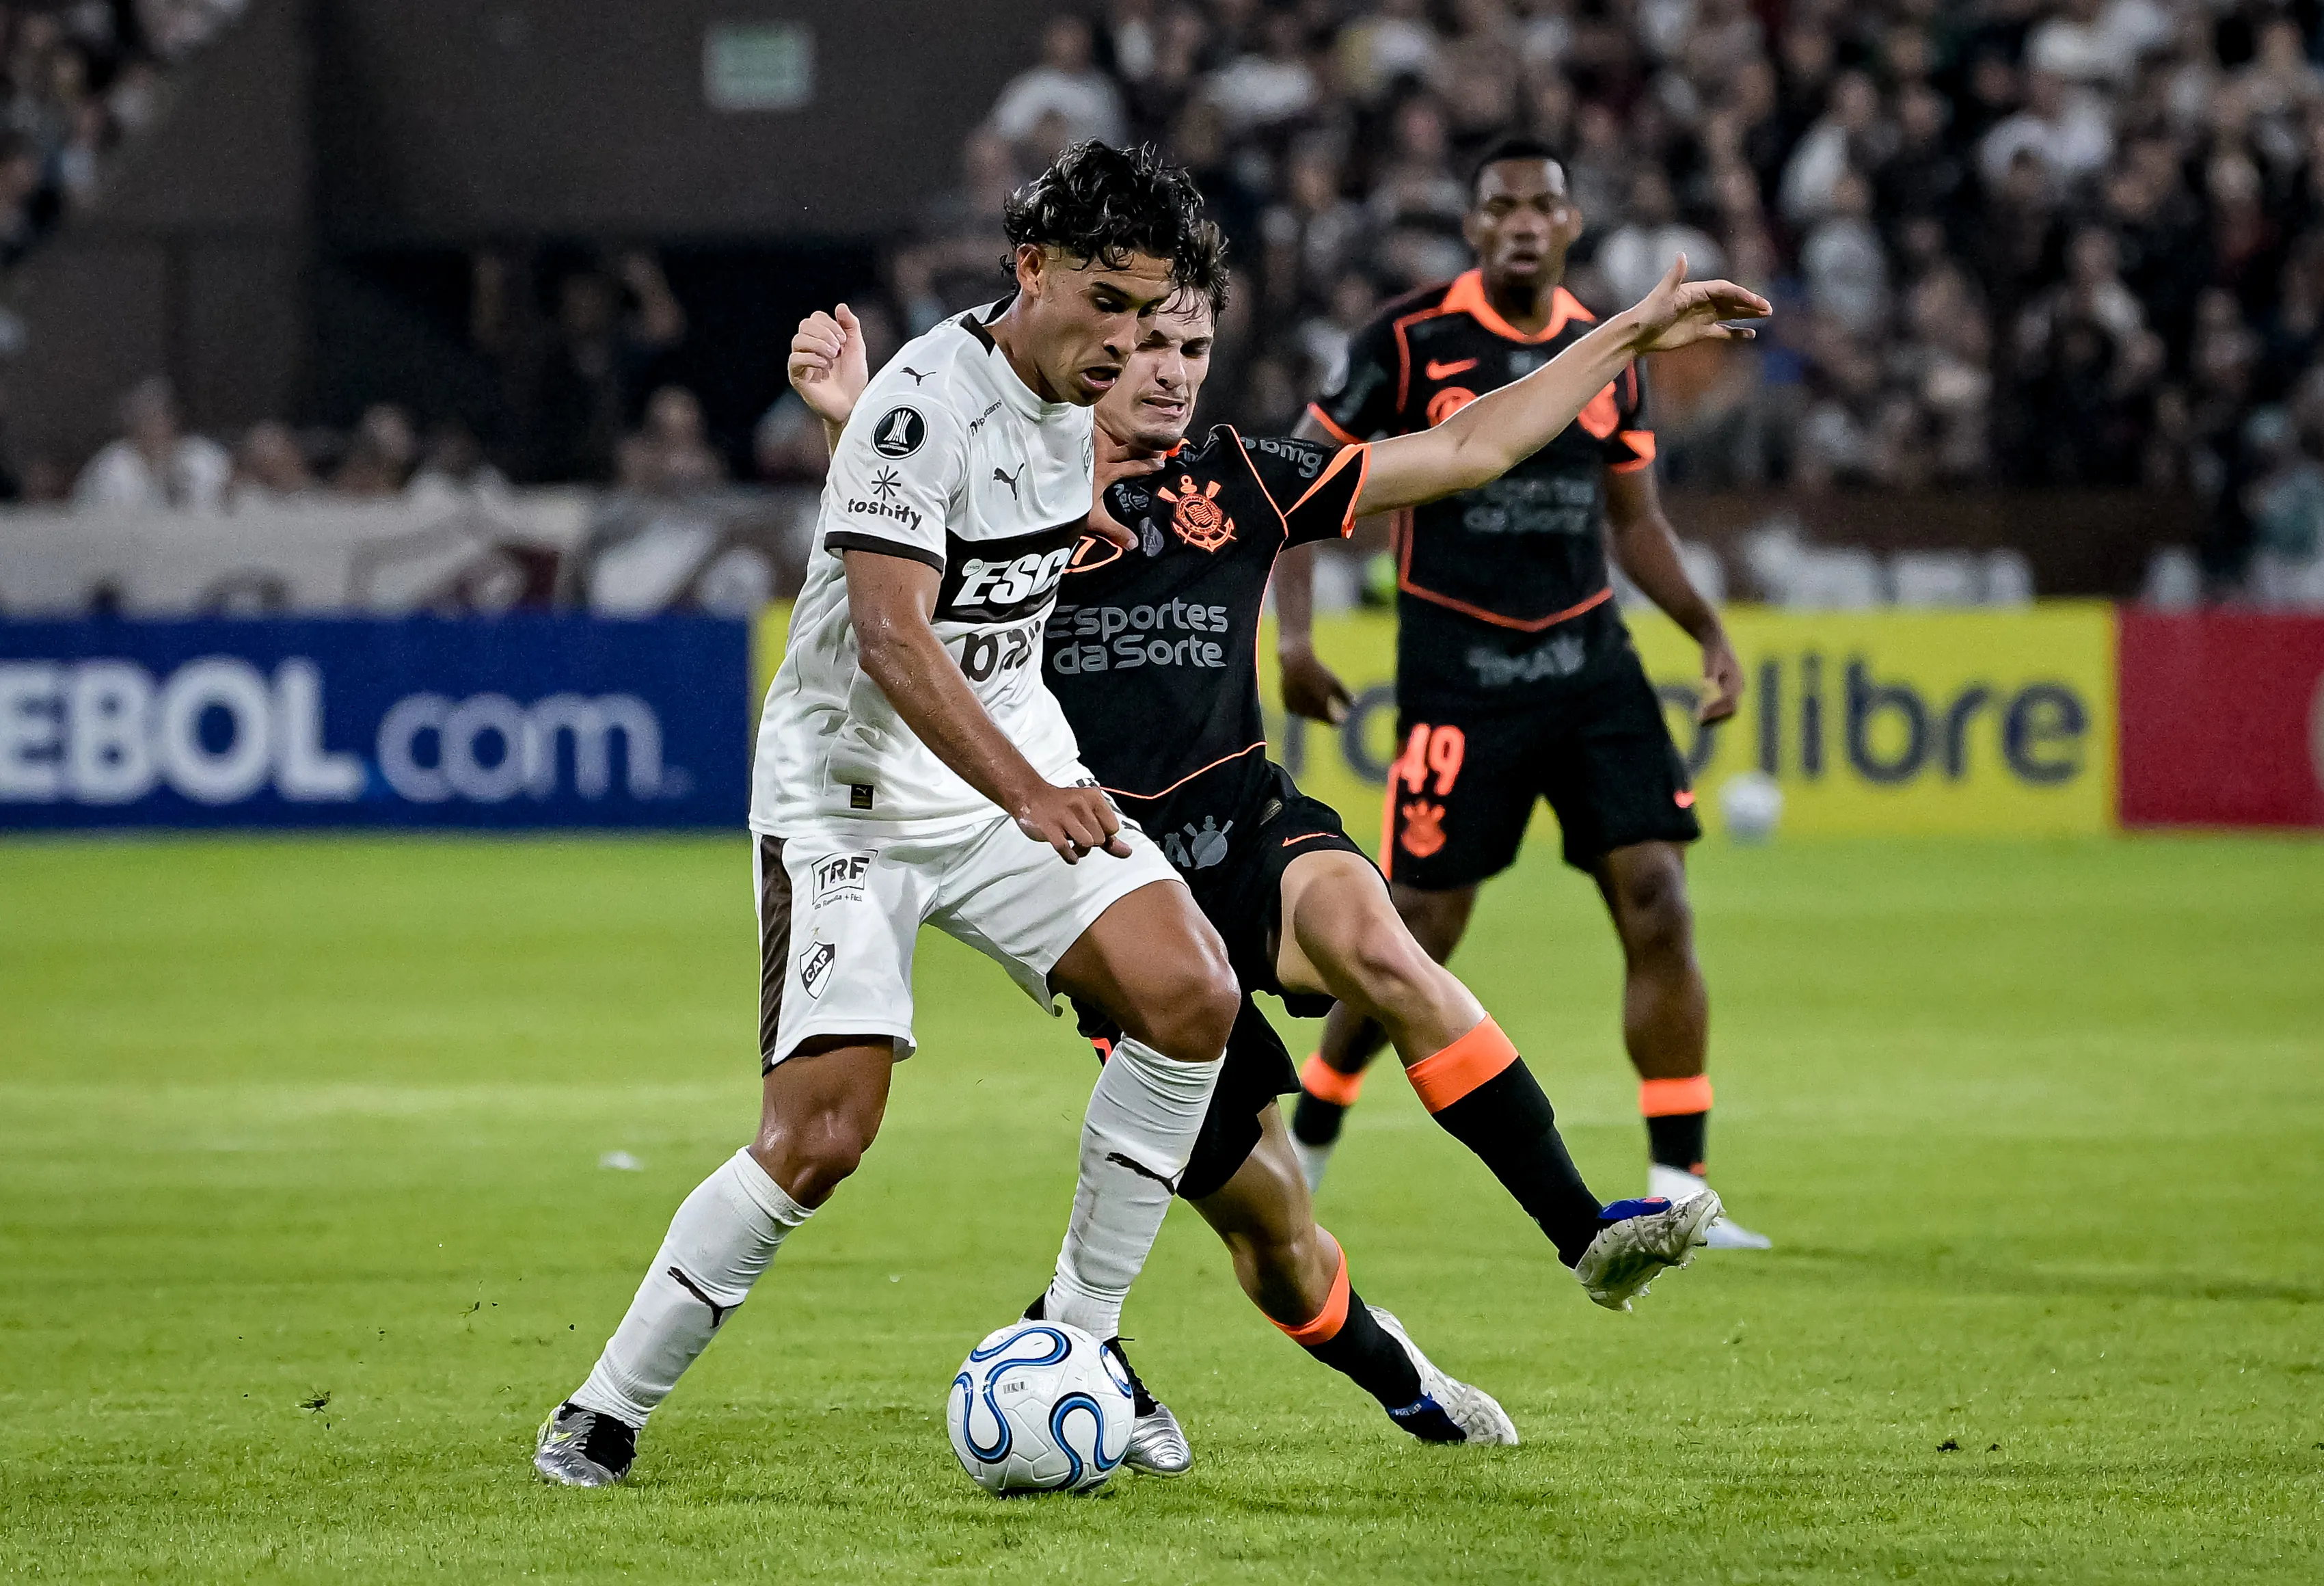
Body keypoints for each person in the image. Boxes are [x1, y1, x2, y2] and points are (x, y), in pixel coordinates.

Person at [783, 242, 1768, 1466]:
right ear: (1094, 336)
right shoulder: (1004, 482)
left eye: (1194, 349)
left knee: (1383, 947)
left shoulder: (1239, 477)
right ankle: (1387, 1374)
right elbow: (891, 604)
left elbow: (1469, 448)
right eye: (1148, 344)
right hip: (1112, 894)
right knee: (1276, 1228)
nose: (1172, 373)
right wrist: (852, 429)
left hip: (1248, 828)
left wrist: (1623, 332)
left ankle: (1588, 1234)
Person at [535, 143, 1241, 1488]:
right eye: (1104, 301)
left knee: (1189, 994)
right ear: (1030, 270)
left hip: (998, 770)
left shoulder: (1055, 395)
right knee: (822, 1135)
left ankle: (1076, 1339)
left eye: (1147, 313)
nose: (1126, 341)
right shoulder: (928, 403)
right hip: (851, 800)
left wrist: (844, 420)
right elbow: (892, 639)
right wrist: (1030, 790)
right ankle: (601, 1407)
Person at [1282, 137, 1772, 1248]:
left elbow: (1635, 521)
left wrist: (1704, 629)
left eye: (1540, 205)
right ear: (1472, 227)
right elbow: (1301, 485)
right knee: (1419, 931)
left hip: (1592, 670)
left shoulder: (1612, 350)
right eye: (1499, 205)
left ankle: (1682, 1180)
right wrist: (1297, 640)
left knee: (1656, 895)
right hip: (1461, 681)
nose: (1520, 221)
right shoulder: (1407, 343)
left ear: (1569, 225)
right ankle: (1318, 1117)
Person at [71, 377, 232, 513]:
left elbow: (230, 504)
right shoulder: (110, 466)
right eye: (145, 417)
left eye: (159, 415)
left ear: (173, 419)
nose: (154, 424)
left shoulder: (204, 457)